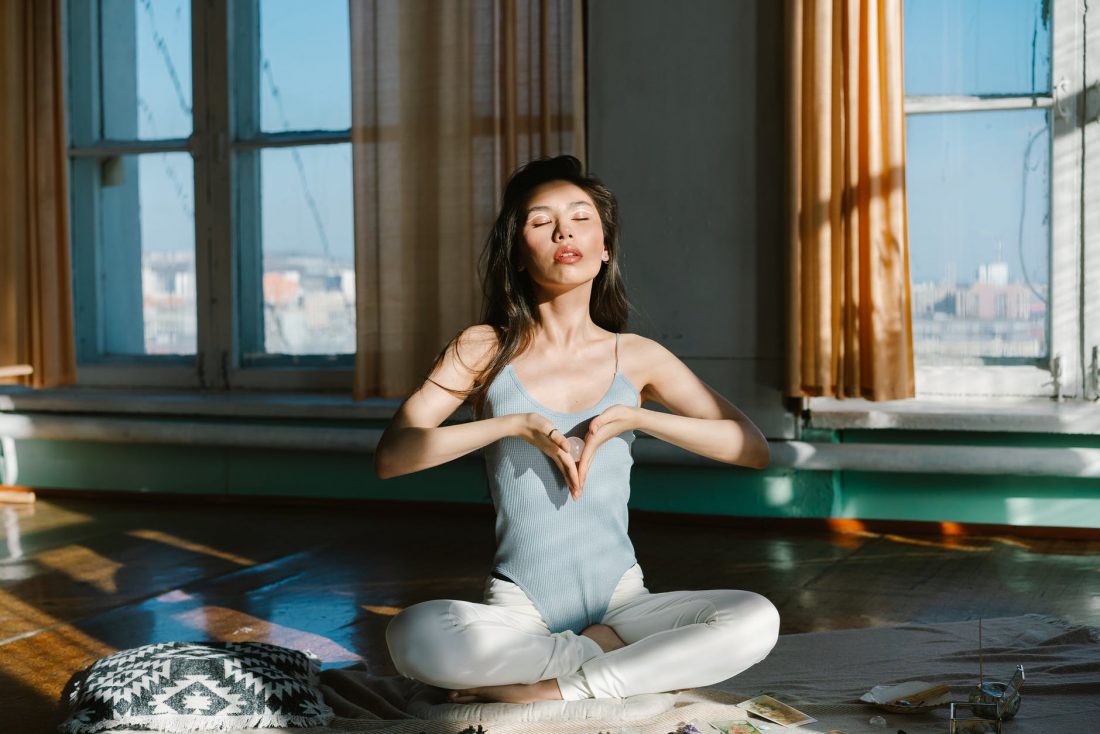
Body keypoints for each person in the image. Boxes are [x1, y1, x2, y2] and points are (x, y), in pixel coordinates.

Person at [374, 155, 778, 704]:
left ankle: (548, 689)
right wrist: (507, 425)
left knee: (757, 619)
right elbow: (394, 455)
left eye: (581, 217)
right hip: (521, 610)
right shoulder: (482, 348)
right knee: (412, 636)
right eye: (541, 222)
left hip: (624, 604)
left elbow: (751, 448)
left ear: (605, 246)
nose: (564, 230)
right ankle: (607, 663)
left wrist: (638, 418)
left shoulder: (637, 357)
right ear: (518, 254)